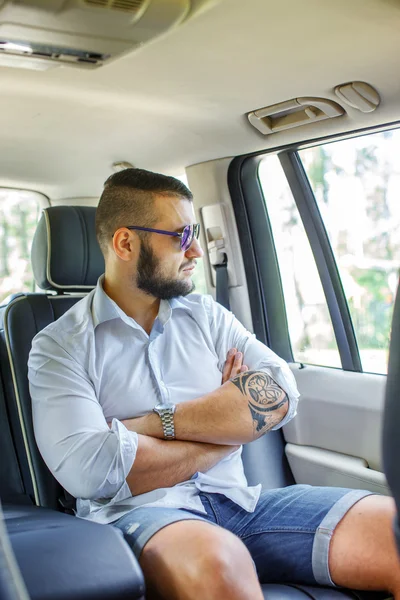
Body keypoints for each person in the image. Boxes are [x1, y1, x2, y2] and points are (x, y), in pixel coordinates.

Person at [28, 168, 400, 600]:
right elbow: (90, 471)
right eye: (182, 237)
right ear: (126, 243)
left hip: (243, 504)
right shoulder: (59, 345)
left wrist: (145, 427)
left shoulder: (207, 316)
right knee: (218, 562)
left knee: (392, 529)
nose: (197, 253)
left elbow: (282, 392)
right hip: (140, 516)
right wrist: (226, 432)